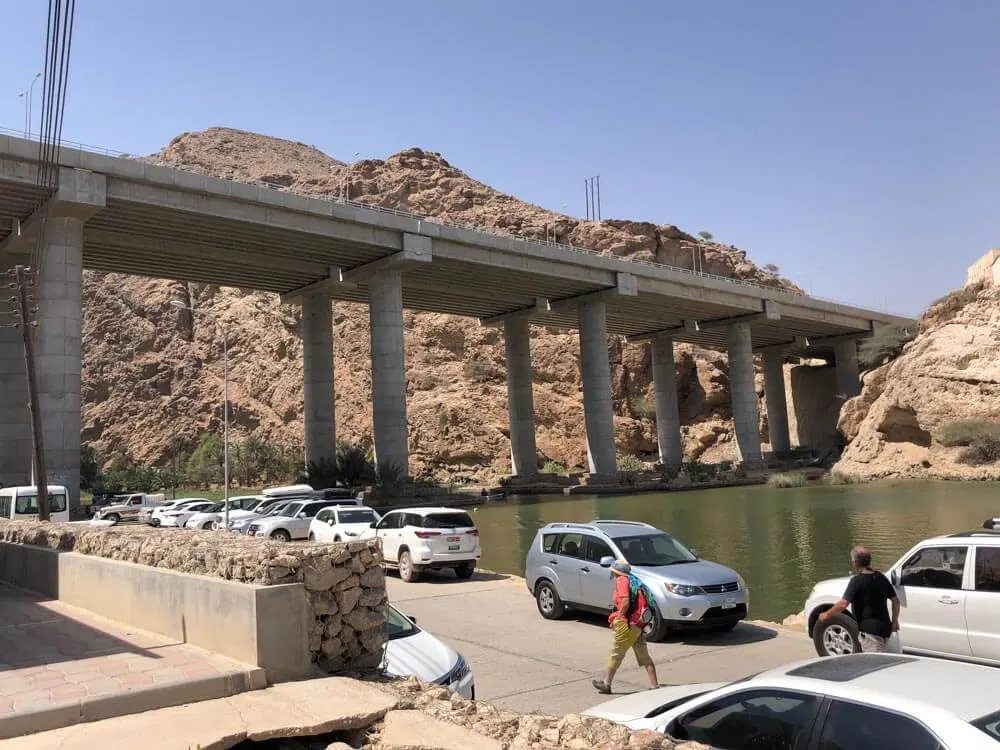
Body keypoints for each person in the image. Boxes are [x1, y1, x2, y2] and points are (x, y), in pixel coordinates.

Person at [592, 561, 659, 694]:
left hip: (627, 623)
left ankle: (607, 684)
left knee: (616, 653)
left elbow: (625, 601)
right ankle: (654, 686)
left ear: (616, 572)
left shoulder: (621, 580)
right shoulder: (633, 580)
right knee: (644, 654)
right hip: (638, 623)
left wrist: (618, 617)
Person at [819, 545, 899, 652]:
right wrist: (894, 622)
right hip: (886, 629)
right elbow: (896, 601)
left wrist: (826, 614)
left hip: (870, 633)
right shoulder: (880, 577)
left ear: (855, 563)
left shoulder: (857, 581)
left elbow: (843, 604)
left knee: (874, 663)